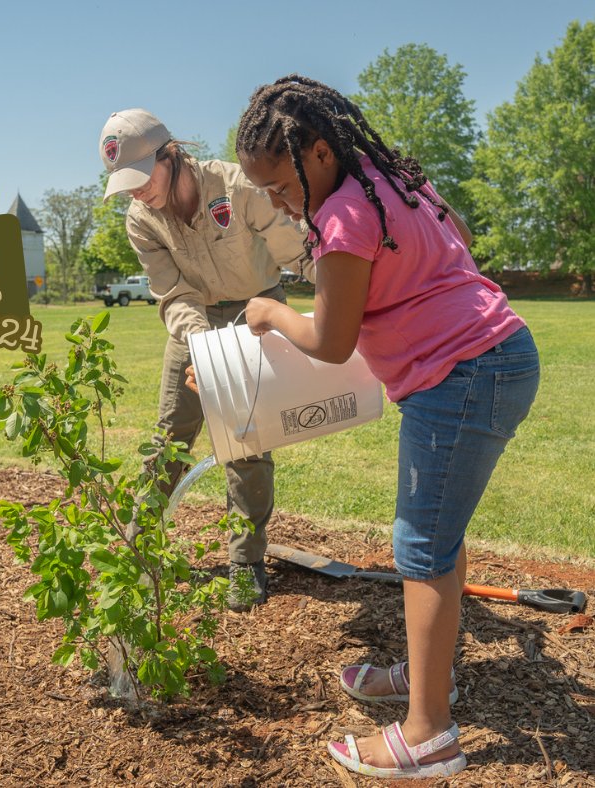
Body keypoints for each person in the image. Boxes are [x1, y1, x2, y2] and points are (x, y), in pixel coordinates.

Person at [232, 75, 539, 778]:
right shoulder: (392, 179)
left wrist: (271, 312)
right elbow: (461, 236)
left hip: (461, 374)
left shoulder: (343, 216)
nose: (278, 203)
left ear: (317, 152)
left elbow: (331, 340)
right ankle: (433, 677)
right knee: (439, 535)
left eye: (280, 186)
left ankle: (428, 734)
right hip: (495, 356)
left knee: (421, 548)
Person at [98, 108, 312, 612]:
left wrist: (352, 293)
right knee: (168, 439)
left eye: (141, 178)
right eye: (125, 185)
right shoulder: (141, 219)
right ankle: (139, 551)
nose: (136, 192)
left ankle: (245, 562)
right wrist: (203, 348)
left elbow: (299, 253)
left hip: (256, 313)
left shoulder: (238, 187)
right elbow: (174, 293)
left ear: (170, 154)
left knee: (246, 441)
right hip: (191, 324)